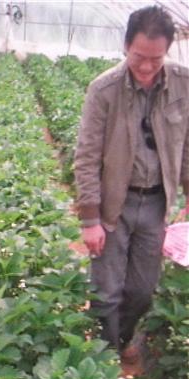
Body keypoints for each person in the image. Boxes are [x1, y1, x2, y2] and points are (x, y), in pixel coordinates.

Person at [74, 6, 189, 359]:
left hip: (156, 203)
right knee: (106, 290)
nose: (146, 66)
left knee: (142, 289)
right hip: (114, 203)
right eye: (139, 56)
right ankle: (104, 362)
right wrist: (90, 219)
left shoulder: (183, 83)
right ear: (126, 46)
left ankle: (120, 340)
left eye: (156, 58)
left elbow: (187, 144)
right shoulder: (104, 89)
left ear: (167, 50)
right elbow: (87, 156)